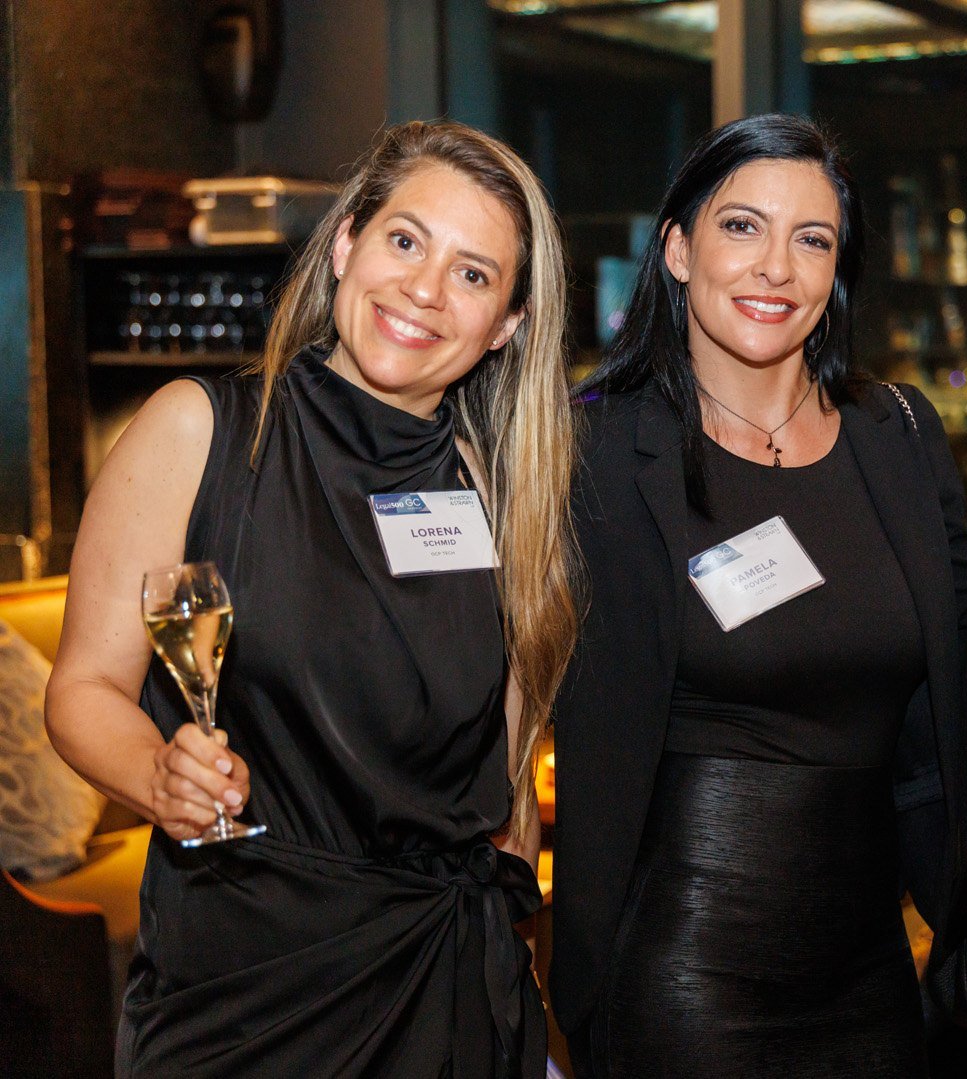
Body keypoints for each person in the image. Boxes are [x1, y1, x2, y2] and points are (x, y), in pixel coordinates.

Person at [44, 120, 574, 1077]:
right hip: (246, 990)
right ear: (345, 245)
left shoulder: (499, 492)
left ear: (507, 325)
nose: (424, 289)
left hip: (443, 986)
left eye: (472, 273)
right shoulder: (199, 431)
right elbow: (83, 689)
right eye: (405, 240)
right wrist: (159, 773)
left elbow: (506, 787)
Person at [551, 113, 967, 1077]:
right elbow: (504, 673)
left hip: (875, 964)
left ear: (838, 270)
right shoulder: (597, 449)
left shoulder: (899, 435)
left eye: (812, 239)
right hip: (684, 969)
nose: (776, 268)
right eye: (742, 226)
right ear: (677, 249)